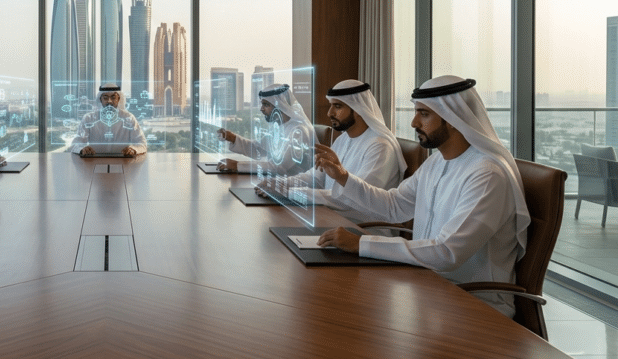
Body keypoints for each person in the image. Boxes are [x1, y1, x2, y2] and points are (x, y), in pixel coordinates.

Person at [314, 75, 530, 317]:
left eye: (424, 114)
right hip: (426, 286)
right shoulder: (437, 162)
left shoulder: (488, 174)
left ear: (453, 118)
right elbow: (394, 206)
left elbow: (447, 252)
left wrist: (361, 243)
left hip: (473, 302)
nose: (414, 122)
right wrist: (343, 177)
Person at [259, 80, 406, 222]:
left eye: (337, 106)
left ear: (358, 109)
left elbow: (356, 199)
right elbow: (316, 177)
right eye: (331, 106)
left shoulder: (380, 147)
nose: (330, 113)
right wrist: (280, 183)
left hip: (361, 228)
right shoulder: (343, 139)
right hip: (329, 217)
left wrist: (291, 193)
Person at [216, 83, 312, 175]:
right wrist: (232, 138)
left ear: (280, 105)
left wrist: (237, 165)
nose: (261, 109)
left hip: (293, 183)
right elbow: (258, 149)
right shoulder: (279, 127)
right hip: (277, 180)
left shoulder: (299, 131)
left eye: (266, 105)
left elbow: (280, 167)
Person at [70, 84, 148, 156]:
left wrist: (133, 150)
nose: (109, 101)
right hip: (94, 161)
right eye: (105, 98)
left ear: (119, 99)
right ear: (100, 100)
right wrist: (82, 149)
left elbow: (142, 143)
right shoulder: (89, 118)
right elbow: (76, 143)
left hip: (124, 161)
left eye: (113, 97)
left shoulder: (129, 118)